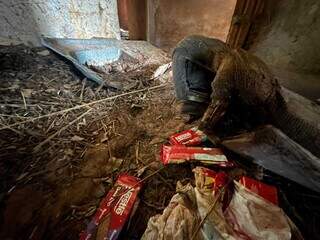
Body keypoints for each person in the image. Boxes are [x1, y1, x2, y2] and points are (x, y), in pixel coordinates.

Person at [172, 35, 320, 157]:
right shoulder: (233, 53)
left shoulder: (224, 77)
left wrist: (204, 129)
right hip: (268, 85)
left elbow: (217, 107)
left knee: (291, 126)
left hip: (262, 97)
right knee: (288, 121)